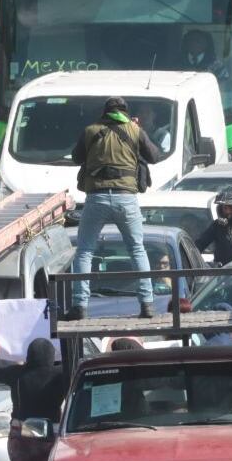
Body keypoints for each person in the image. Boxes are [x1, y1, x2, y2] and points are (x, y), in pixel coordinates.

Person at [68, 97, 158, 320]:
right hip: (126, 199)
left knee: (85, 251)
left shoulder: (91, 130)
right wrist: (137, 129)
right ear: (125, 112)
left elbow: (76, 157)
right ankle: (147, 305)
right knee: (137, 249)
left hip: (96, 198)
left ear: (104, 113)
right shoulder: (134, 130)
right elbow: (154, 156)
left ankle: (80, 306)